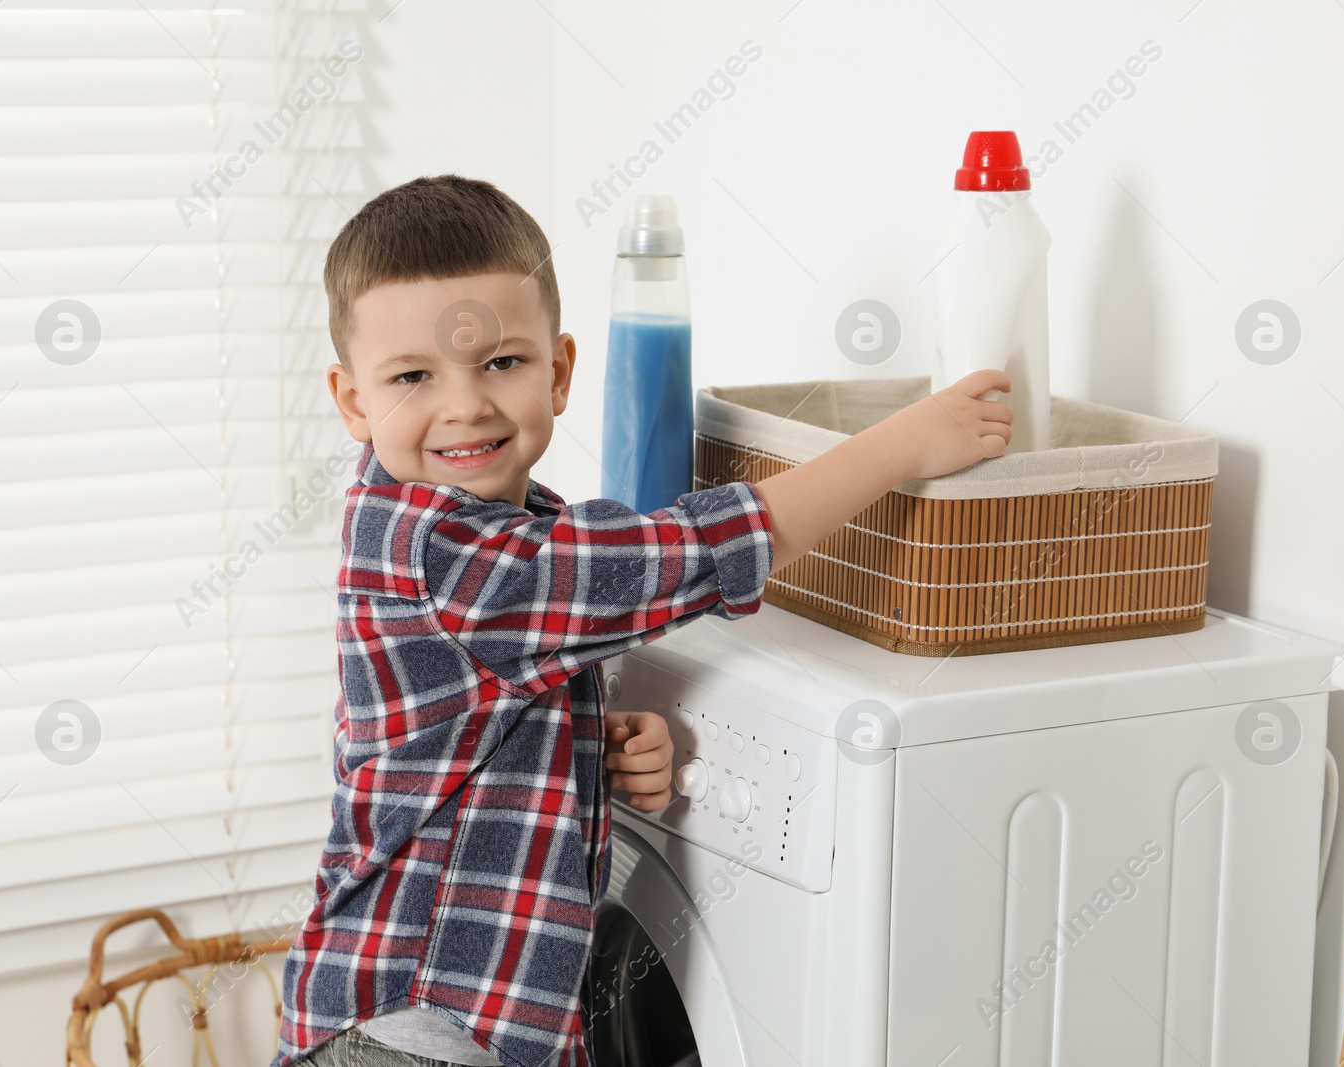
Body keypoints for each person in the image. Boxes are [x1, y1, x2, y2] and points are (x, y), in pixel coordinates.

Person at [274, 173, 1012, 1067]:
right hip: (416, 1034)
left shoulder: (498, 523)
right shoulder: (443, 553)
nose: (464, 403)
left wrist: (587, 739)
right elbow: (701, 546)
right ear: (353, 400)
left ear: (560, 371)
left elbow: (475, 715)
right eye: (412, 377)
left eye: (501, 362)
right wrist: (904, 443)